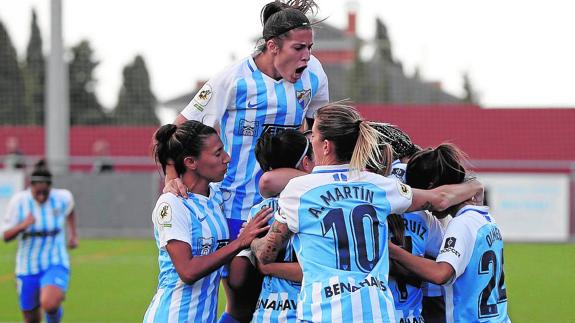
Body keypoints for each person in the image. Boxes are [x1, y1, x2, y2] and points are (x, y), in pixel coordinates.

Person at [168, 1, 328, 321]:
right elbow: (177, 127)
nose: (306, 56)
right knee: (242, 290)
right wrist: (173, 175)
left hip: (289, 204)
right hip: (235, 206)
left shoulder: (314, 75)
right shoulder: (234, 79)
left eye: (309, 47)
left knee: (289, 295)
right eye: (298, 48)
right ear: (272, 46)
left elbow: (319, 129)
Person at [251, 104, 483, 322]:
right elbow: (440, 200)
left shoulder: (298, 190)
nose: (310, 139)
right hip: (377, 313)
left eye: (313, 134)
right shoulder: (380, 186)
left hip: (322, 313)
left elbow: (266, 254)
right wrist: (474, 186)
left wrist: (252, 243)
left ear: (326, 145)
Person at [143, 121, 272, 323]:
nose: (227, 158)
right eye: (218, 153)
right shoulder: (172, 203)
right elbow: (188, 271)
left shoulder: (217, 197)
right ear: (191, 162)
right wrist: (240, 242)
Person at [389, 144, 510, 323]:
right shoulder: (485, 220)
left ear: (433, 189)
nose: (424, 208)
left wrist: (391, 250)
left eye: (424, 201)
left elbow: (441, 274)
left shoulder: (461, 224)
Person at [229, 129, 314, 323]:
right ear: (305, 162)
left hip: (267, 313)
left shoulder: (258, 212)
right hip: (307, 313)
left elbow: (237, 277)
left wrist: (250, 248)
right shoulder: (318, 205)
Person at [1, 160, 78, 323]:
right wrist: (24, 225)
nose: (42, 196)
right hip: (27, 266)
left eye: (45, 192)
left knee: (50, 303)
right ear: (31, 186)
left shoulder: (62, 197)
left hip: (55, 261)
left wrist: (73, 234)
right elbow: (6, 236)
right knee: (31, 318)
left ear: (50, 186)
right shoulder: (19, 202)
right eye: (38, 193)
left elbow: (70, 209)